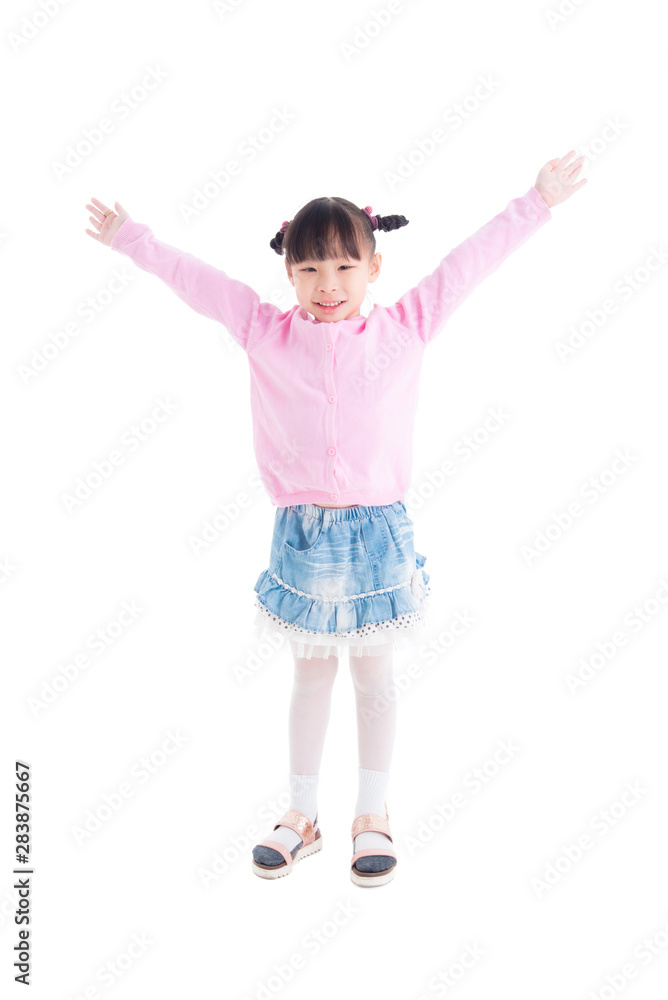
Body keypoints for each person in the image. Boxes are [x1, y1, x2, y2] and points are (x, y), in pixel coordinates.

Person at [84, 150, 587, 887]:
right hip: (301, 534)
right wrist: (133, 237)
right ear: (289, 273)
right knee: (311, 676)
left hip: (378, 531)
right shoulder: (263, 331)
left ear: (372, 269)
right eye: (311, 270)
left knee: (374, 676)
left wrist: (536, 202)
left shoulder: (407, 326)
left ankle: (373, 813)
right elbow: (195, 280)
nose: (328, 286)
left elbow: (468, 263)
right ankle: (302, 815)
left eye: (345, 269)